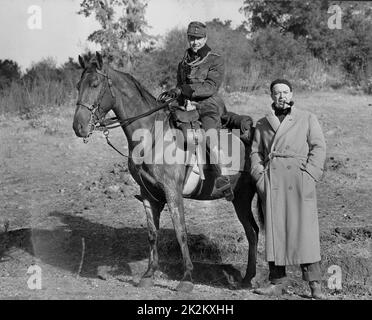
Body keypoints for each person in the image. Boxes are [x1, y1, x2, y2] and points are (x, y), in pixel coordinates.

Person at [250, 79, 327, 299]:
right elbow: (255, 152)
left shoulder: (307, 118)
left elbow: (318, 147)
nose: (282, 96)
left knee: (305, 234)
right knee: (276, 233)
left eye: (285, 92)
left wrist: (310, 175)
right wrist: (259, 177)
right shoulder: (263, 123)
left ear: (292, 94)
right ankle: (277, 283)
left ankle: (315, 286)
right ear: (271, 96)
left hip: (299, 181)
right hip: (273, 183)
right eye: (277, 93)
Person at [159, 21, 234, 201]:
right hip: (186, 105)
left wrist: (183, 91)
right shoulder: (183, 62)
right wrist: (171, 96)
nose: (195, 42)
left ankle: (223, 177)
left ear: (205, 38)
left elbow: (210, 87)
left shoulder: (215, 59)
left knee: (208, 135)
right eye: (192, 38)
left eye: (198, 38)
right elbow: (179, 86)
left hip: (209, 105)